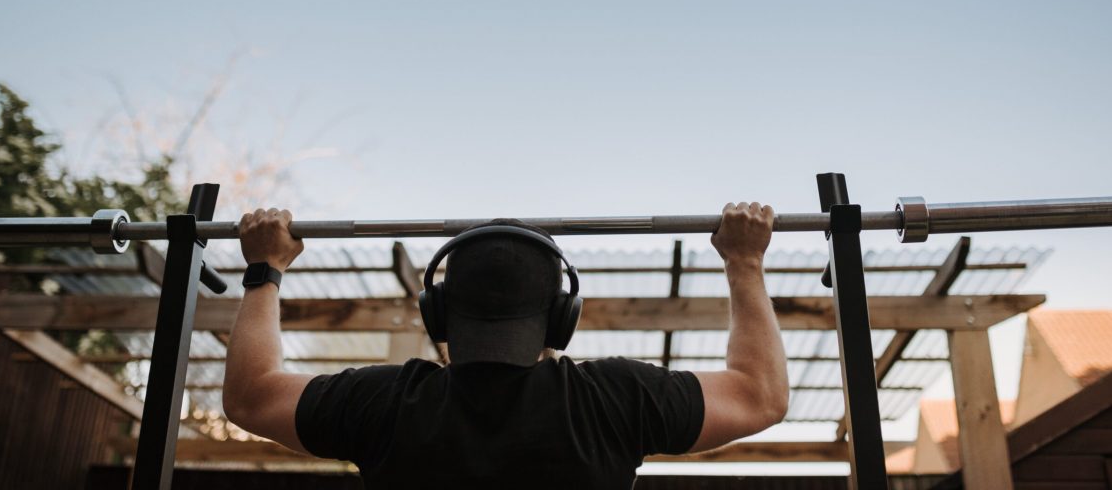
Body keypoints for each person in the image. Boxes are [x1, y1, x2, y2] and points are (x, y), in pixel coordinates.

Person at [224, 202, 788, 488]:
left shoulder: (386, 404)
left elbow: (250, 396)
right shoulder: (613, 399)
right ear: (561, 319)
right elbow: (760, 395)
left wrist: (264, 270)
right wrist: (744, 262)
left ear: (436, 313)